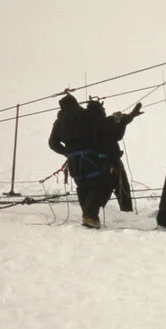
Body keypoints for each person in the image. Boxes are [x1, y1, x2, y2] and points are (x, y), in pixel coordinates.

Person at [48, 93, 113, 229]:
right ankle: (90, 216)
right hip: (89, 157)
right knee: (97, 185)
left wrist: (67, 152)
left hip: (73, 161)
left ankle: (89, 217)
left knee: (83, 187)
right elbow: (99, 126)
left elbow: (53, 143)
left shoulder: (59, 122)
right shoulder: (84, 114)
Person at [86, 99, 144, 213]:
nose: (104, 111)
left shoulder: (88, 127)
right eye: (103, 109)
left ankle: (92, 212)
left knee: (103, 188)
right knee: (121, 187)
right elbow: (121, 121)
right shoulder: (105, 122)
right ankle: (127, 212)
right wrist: (131, 115)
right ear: (99, 111)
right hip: (112, 161)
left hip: (94, 162)